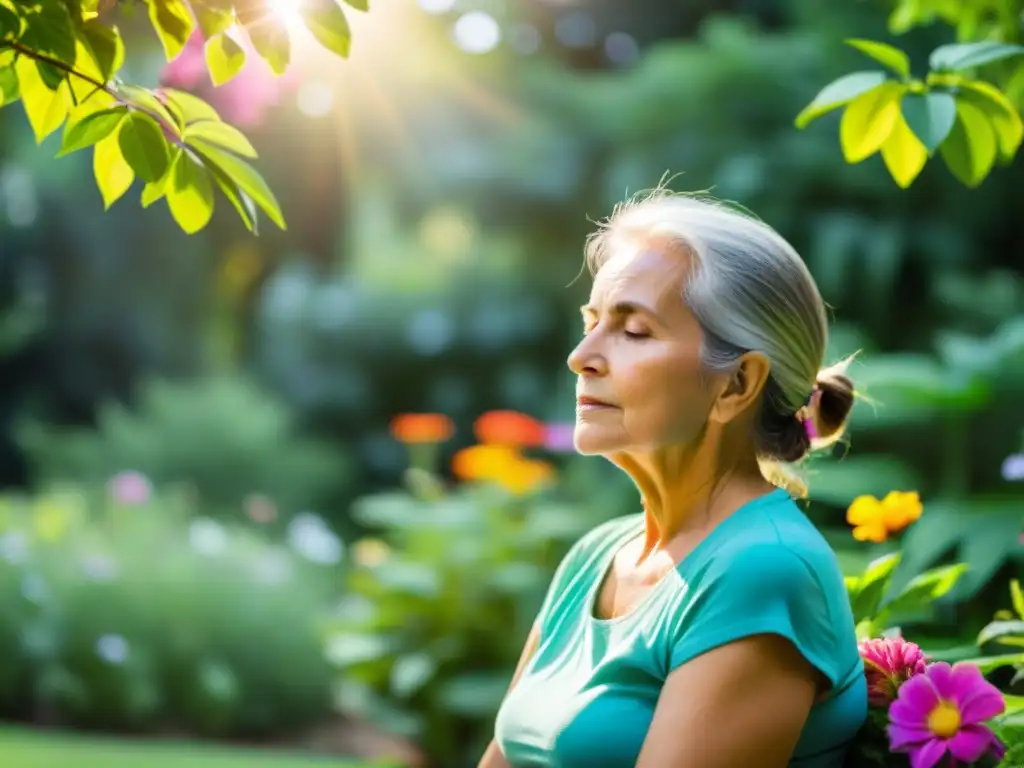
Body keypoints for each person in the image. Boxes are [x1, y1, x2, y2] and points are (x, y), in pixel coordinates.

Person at [477, 190, 867, 768]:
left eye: (633, 331)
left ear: (735, 385)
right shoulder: (595, 558)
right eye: (591, 323)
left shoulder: (761, 568)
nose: (581, 356)